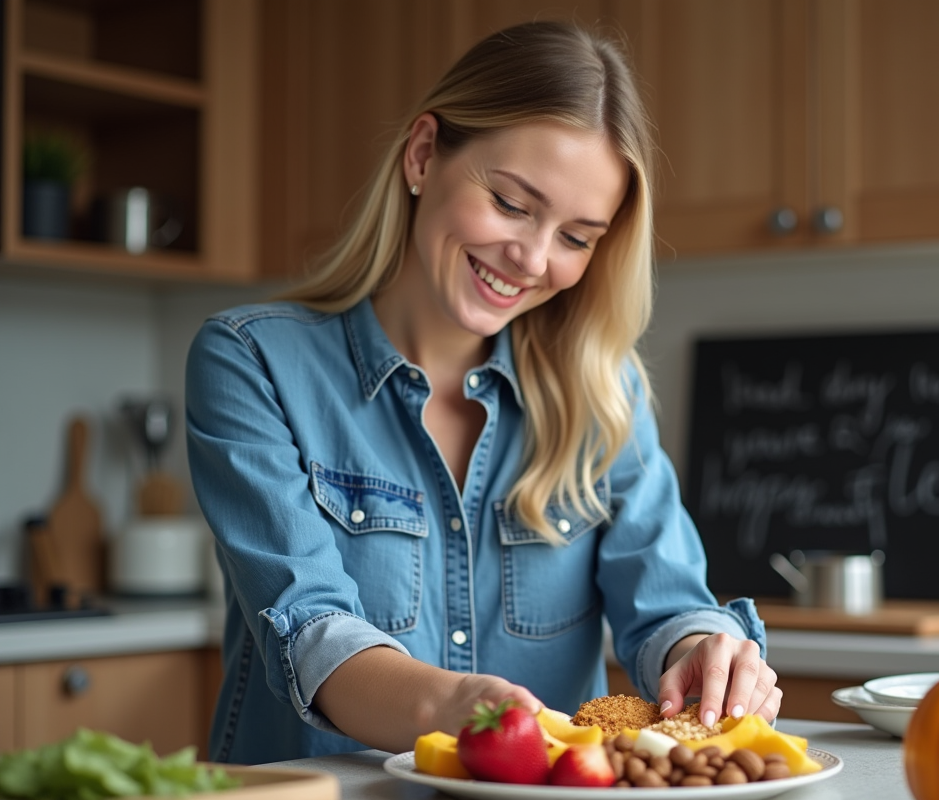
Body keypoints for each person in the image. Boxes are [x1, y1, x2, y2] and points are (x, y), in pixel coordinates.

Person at [186, 20, 778, 765]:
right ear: (425, 154)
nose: (531, 258)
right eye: (510, 202)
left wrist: (704, 650)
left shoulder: (603, 391)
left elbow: (665, 603)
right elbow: (310, 629)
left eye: (576, 237)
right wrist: (456, 708)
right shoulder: (252, 360)